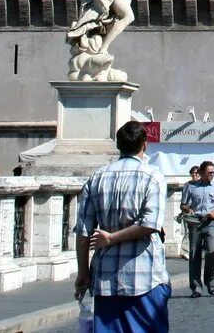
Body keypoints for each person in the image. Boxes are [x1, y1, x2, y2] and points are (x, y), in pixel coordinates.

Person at [72, 121, 170, 333]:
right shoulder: (152, 176)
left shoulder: (97, 177)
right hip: (144, 276)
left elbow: (82, 232)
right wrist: (112, 238)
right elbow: (150, 224)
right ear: (144, 144)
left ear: (118, 145)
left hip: (106, 278)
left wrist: (83, 273)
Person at [180, 160, 214, 297]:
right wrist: (188, 209)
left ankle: (210, 281)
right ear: (202, 173)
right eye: (209, 173)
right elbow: (183, 205)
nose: (212, 175)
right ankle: (196, 287)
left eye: (213, 173)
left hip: (211, 222)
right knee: (194, 254)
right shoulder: (190, 186)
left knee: (211, 252)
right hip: (195, 222)